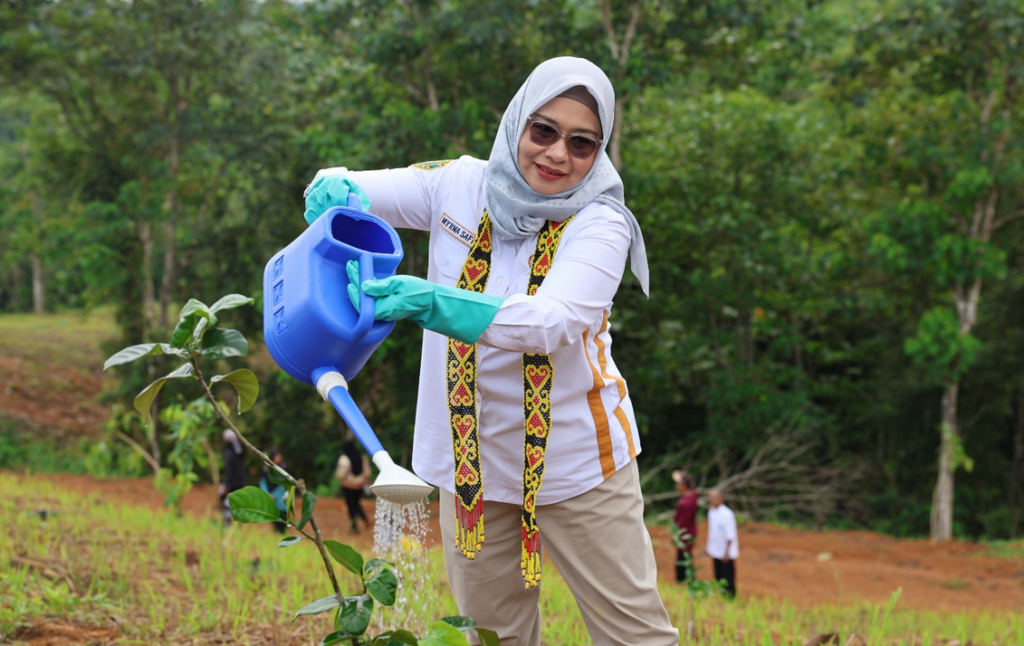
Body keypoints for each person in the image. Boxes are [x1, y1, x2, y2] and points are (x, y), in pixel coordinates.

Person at [303, 57, 677, 645]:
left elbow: (550, 323)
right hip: (468, 467)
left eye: (582, 143)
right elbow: (358, 190)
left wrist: (432, 302)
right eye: (544, 131)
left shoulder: (602, 223)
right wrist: (333, 188)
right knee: (492, 636)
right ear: (516, 122)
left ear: (600, 151)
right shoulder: (459, 184)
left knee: (636, 635)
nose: (558, 154)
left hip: (578, 464)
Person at [704, 488, 739, 598]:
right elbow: (712, 532)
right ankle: (721, 596)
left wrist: (726, 552)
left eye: (714, 498)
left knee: (728, 576)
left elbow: (730, 534)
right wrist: (708, 547)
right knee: (718, 575)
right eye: (710, 498)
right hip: (716, 550)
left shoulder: (727, 514)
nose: (711, 500)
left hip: (726, 552)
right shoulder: (711, 512)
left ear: (721, 499)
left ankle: (731, 598)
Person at [336, 437, 371, 534]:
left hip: (348, 485)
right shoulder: (361, 456)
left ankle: (355, 527)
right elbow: (367, 471)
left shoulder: (344, 458)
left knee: (351, 506)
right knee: (356, 503)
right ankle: (364, 519)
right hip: (360, 485)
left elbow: (341, 474)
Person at [672, 469, 699, 584]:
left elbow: (683, 522)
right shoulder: (690, 496)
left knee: (683, 556)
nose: (677, 486)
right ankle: (686, 579)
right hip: (686, 533)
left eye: (679, 484)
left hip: (685, 534)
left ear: (684, 486)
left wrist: (679, 535)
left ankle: (683, 580)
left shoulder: (687, 502)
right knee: (684, 556)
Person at [218, 429, 247, 526]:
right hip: (240, 484)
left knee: (227, 504)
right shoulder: (239, 453)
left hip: (231, 485)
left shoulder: (229, 454)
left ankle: (228, 525)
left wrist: (226, 486)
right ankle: (237, 525)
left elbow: (229, 472)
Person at [259, 448, 289, 534]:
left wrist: (275, 495)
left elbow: (285, 485)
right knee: (275, 521)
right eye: (276, 456)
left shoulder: (284, 469)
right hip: (271, 500)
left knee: (283, 521)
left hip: (282, 500)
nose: (278, 458)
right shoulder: (267, 470)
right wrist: (267, 494)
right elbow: (263, 483)